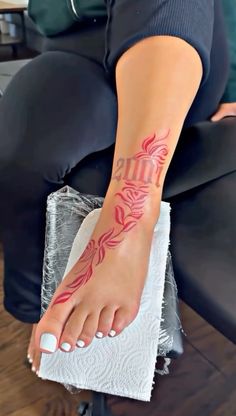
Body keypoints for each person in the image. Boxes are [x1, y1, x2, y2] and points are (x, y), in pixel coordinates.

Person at [0, 0, 233, 375]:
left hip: (187, 43)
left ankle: (128, 222)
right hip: (80, 44)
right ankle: (34, 310)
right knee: (18, 158)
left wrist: (235, 86)